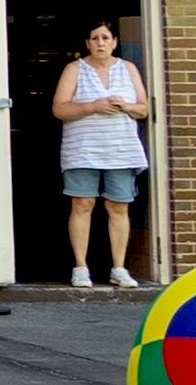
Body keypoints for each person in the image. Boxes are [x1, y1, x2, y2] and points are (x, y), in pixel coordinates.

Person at [51, 18, 154, 288]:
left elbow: (143, 109)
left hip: (121, 149)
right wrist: (92, 106)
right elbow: (59, 109)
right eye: (95, 38)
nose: (100, 43)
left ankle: (119, 268)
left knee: (119, 206)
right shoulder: (74, 69)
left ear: (115, 42)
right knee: (82, 205)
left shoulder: (128, 69)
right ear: (87, 43)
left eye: (106, 38)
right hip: (83, 149)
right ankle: (81, 267)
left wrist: (126, 106)